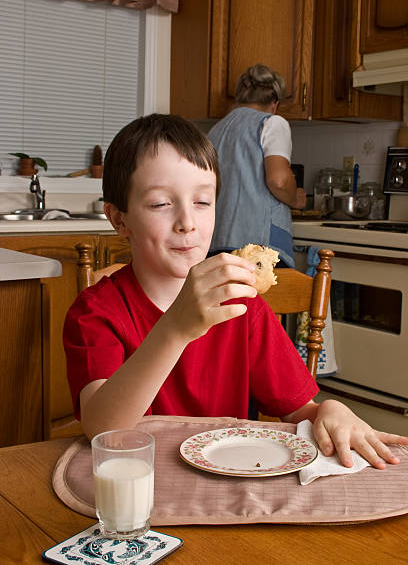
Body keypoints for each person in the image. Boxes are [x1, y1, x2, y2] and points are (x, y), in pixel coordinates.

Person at [64, 113, 407, 470]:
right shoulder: (96, 311)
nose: (187, 222)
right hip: (140, 483)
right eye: (161, 204)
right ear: (120, 219)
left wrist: (329, 410)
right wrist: (175, 328)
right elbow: (105, 431)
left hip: (234, 485)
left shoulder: (242, 304)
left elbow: (298, 412)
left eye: (202, 202)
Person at [208, 63, 306, 267]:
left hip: (215, 243)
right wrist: (295, 198)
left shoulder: (216, 131)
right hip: (258, 248)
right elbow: (278, 181)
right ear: (274, 104)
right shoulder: (272, 123)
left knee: (229, 300)